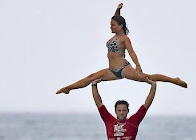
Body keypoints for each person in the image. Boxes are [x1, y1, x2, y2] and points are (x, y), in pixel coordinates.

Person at [56, 3, 186, 95]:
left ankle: (174, 80)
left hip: (124, 69)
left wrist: (138, 65)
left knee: (148, 77)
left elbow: (132, 52)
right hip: (111, 71)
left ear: (120, 26)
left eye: (112, 25)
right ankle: (69, 88)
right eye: (110, 25)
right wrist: (118, 10)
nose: (110, 27)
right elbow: (116, 18)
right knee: (91, 77)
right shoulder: (114, 36)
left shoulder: (124, 38)